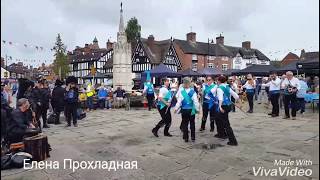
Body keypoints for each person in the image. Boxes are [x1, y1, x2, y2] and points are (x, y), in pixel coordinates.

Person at [216, 75, 240, 146]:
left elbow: (220, 98)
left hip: (223, 106)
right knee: (218, 118)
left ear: (219, 81)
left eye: (218, 80)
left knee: (226, 124)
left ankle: (233, 141)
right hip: (229, 106)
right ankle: (222, 134)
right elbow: (236, 96)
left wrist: (220, 106)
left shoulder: (219, 88)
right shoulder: (227, 87)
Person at [174, 77, 200, 143]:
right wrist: (197, 109)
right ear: (189, 84)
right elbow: (196, 102)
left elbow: (179, 102)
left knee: (185, 124)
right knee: (192, 123)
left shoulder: (181, 92)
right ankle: (193, 137)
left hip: (184, 110)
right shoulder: (193, 92)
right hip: (191, 110)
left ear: (183, 84)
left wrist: (176, 109)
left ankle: (186, 138)